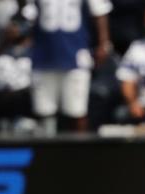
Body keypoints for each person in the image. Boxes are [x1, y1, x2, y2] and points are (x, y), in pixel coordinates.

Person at [30, 0, 113, 133]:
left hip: (75, 55)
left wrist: (103, 43)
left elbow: (100, 11)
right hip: (44, 56)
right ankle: (46, 151)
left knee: (77, 111)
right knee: (44, 112)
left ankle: (78, 152)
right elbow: (29, 16)